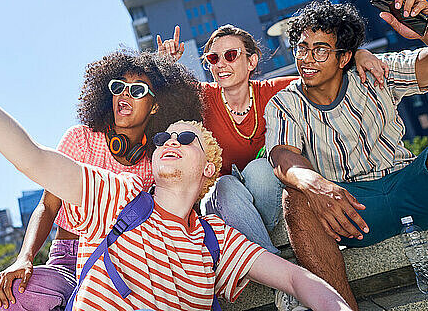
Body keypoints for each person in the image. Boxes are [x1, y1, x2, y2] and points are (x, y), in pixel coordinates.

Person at [0, 0, 353, 311]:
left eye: (185, 140)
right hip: (76, 254)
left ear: (209, 171)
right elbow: (29, 157)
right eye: (164, 141)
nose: (169, 144)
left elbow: (297, 279)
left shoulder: (217, 239)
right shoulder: (113, 195)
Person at [0, 0, 202, 311]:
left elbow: (194, 141)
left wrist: (168, 68)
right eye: (118, 87)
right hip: (67, 259)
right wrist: (24, 257)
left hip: (130, 265)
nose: (125, 96)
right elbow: (47, 206)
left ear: (156, 105)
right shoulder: (80, 139)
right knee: (18, 292)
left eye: (139, 90)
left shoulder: (160, 158)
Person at [264, 0, 428, 310]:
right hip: (353, 208)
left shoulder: (375, 70)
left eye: (320, 50)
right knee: (294, 196)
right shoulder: (285, 102)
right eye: (301, 47)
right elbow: (283, 154)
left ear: (345, 57)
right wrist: (315, 184)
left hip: (410, 183)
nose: (307, 59)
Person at [157, 25, 387, 254]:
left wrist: (359, 53)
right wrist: (165, 64)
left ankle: (263, 258)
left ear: (252, 61)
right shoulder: (202, 97)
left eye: (230, 55)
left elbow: (324, 74)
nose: (221, 64)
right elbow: (159, 98)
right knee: (225, 184)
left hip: (267, 191)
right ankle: (276, 260)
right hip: (221, 203)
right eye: (213, 58)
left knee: (262, 168)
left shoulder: (277, 91)